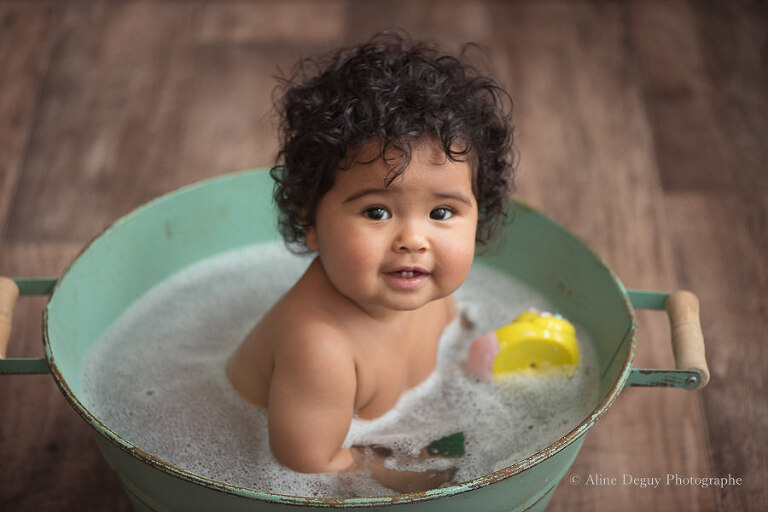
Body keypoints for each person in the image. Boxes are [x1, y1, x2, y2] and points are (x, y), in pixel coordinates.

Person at [226, 32, 515, 491]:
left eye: (442, 212)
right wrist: (405, 468)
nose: (414, 240)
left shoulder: (427, 288)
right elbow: (307, 463)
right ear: (312, 222)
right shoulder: (322, 350)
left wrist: (480, 363)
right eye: (376, 211)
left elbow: (456, 337)